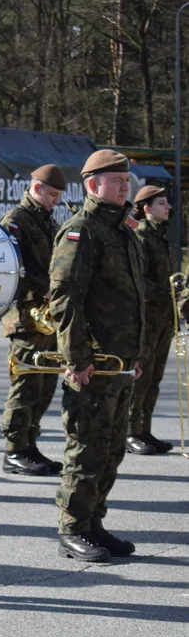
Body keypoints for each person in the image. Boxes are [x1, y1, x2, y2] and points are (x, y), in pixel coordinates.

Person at [48, 148, 145, 562]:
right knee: (86, 447)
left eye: (127, 181)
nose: (126, 186)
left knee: (110, 449)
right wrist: (75, 358)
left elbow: (132, 301)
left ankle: (94, 522)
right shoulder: (81, 230)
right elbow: (65, 298)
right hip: (93, 363)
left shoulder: (122, 230)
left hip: (120, 363)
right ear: (92, 185)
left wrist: (136, 355)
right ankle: (72, 528)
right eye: (117, 181)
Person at [0, 165, 66, 476]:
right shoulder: (16, 221)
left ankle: (29, 444)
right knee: (26, 384)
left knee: (45, 385)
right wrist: (47, 289)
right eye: (52, 194)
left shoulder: (48, 222)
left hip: (48, 317)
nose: (55, 200)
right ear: (36, 188)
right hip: (26, 317)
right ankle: (14, 450)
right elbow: (13, 269)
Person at [127, 185, 177, 456]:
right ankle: (131, 432)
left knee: (155, 378)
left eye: (167, 203)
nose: (167, 207)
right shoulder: (141, 239)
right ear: (146, 208)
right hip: (146, 321)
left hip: (164, 320)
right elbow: (139, 282)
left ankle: (144, 429)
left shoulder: (163, 239)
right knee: (140, 378)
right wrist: (167, 291)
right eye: (161, 203)